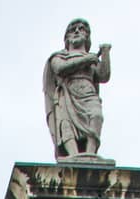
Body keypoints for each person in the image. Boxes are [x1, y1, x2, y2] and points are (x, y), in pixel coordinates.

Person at [44, 19, 111, 160]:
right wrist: (86, 60)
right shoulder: (59, 56)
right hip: (67, 95)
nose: (76, 31)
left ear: (87, 37)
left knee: (96, 116)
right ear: (67, 38)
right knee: (66, 125)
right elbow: (60, 68)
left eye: (81, 29)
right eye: (72, 29)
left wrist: (105, 54)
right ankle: (72, 154)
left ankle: (90, 153)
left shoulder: (92, 59)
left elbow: (103, 76)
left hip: (88, 94)